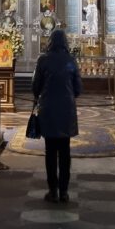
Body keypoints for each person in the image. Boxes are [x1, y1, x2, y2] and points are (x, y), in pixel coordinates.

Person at [32, 29, 82, 204]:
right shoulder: (71, 60)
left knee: (50, 152)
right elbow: (78, 88)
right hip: (66, 110)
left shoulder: (43, 60)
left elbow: (35, 86)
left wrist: (42, 94)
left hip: (48, 109)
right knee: (65, 152)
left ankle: (52, 190)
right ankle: (64, 192)